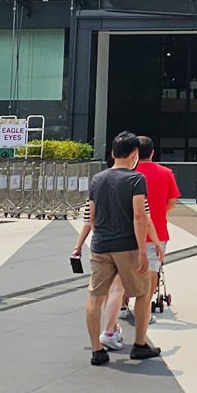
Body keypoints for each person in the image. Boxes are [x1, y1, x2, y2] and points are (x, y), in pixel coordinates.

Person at [73, 132, 160, 365]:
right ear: (134, 155)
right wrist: (144, 249)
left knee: (95, 295)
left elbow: (92, 215)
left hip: (100, 246)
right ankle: (140, 344)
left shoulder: (97, 179)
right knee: (142, 293)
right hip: (127, 246)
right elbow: (140, 216)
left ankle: (97, 349)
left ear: (112, 153)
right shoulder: (135, 179)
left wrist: (81, 244)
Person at [99, 134, 179, 349]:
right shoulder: (165, 173)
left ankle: (122, 308)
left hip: (125, 233)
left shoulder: (123, 173)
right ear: (152, 152)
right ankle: (144, 315)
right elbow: (171, 201)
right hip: (156, 230)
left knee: (120, 278)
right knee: (151, 273)